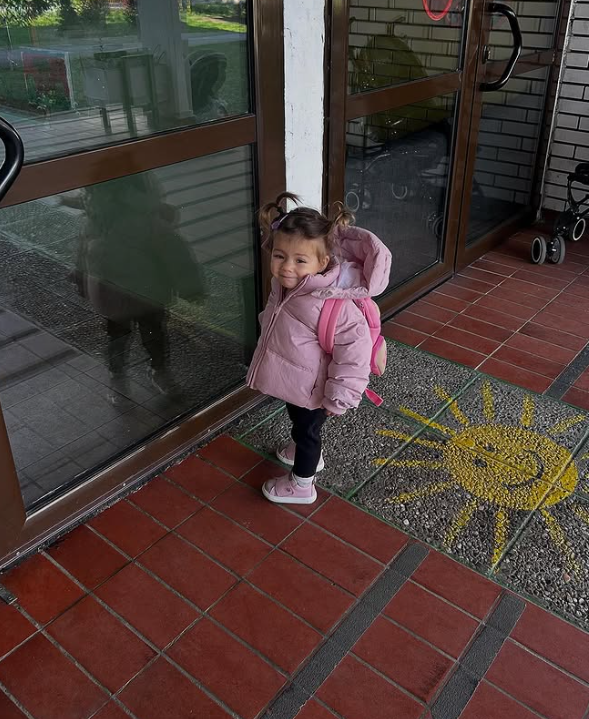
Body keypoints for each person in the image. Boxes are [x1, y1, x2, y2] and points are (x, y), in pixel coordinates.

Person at [247, 193, 392, 505]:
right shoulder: (284, 286)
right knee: (300, 423)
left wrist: (339, 399)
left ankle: (302, 484)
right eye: (279, 256)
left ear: (323, 262)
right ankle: (302, 451)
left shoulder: (332, 303)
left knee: (308, 433)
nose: (287, 267)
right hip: (298, 382)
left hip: (317, 389)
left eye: (300, 260)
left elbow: (353, 355)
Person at [69, 172, 206, 404]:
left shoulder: (144, 222)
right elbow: (83, 253)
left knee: (143, 336)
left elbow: (175, 255)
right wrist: (80, 276)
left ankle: (151, 371)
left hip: (144, 295)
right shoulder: (96, 223)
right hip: (120, 295)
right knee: (125, 338)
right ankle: (128, 374)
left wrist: (190, 288)